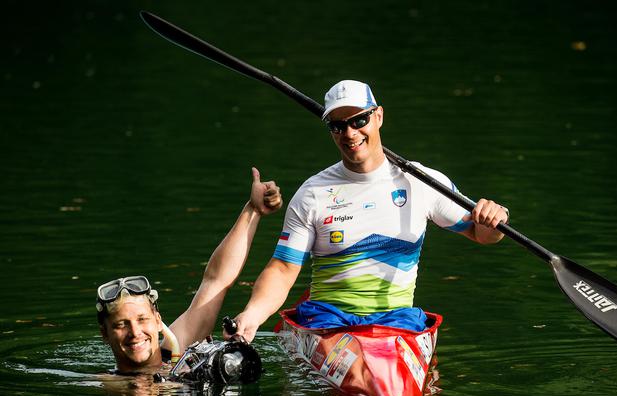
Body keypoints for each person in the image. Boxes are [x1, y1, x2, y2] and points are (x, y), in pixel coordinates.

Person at [229, 80, 509, 342]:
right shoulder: (312, 193)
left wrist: (493, 219)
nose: (350, 134)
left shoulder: (422, 182)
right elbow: (283, 268)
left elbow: (482, 235)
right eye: (338, 126)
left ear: (378, 117)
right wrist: (253, 315)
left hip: (395, 321)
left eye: (359, 120)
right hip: (329, 322)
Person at [96, 168, 282, 374]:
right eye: (121, 324)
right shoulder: (103, 385)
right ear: (104, 334)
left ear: (158, 320)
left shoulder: (179, 351)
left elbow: (216, 279)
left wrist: (253, 210)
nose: (135, 332)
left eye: (142, 319)